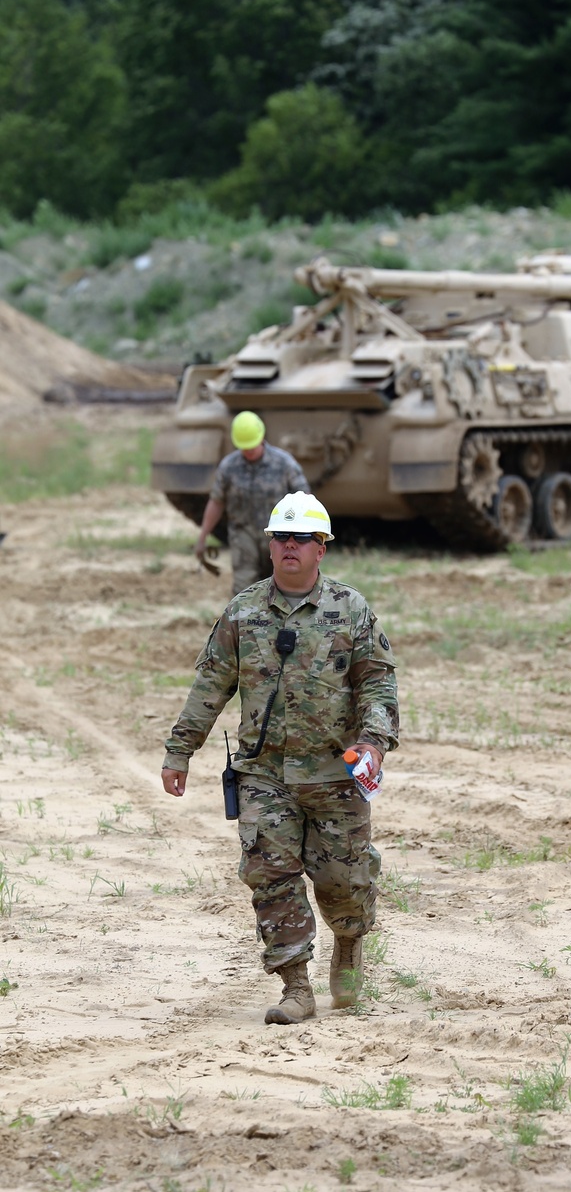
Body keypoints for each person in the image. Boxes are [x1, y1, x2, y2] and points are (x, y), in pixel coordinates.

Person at [163, 491, 398, 1025]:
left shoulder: (350, 609)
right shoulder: (244, 611)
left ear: (321, 549)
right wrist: (180, 751)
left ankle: (348, 943)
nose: (289, 546)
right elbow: (209, 685)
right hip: (263, 773)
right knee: (269, 875)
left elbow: (378, 684)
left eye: (301, 539)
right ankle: (296, 986)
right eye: (281, 538)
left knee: (344, 879)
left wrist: (375, 742)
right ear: (270, 547)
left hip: (336, 773)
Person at [195, 411, 310, 594]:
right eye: (244, 447)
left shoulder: (284, 464)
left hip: (279, 537)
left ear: (262, 437)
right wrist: (203, 537)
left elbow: (305, 500)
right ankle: (242, 623)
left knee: (283, 589)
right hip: (243, 536)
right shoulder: (229, 467)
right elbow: (216, 501)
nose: (248, 451)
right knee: (244, 591)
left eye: (252, 446)